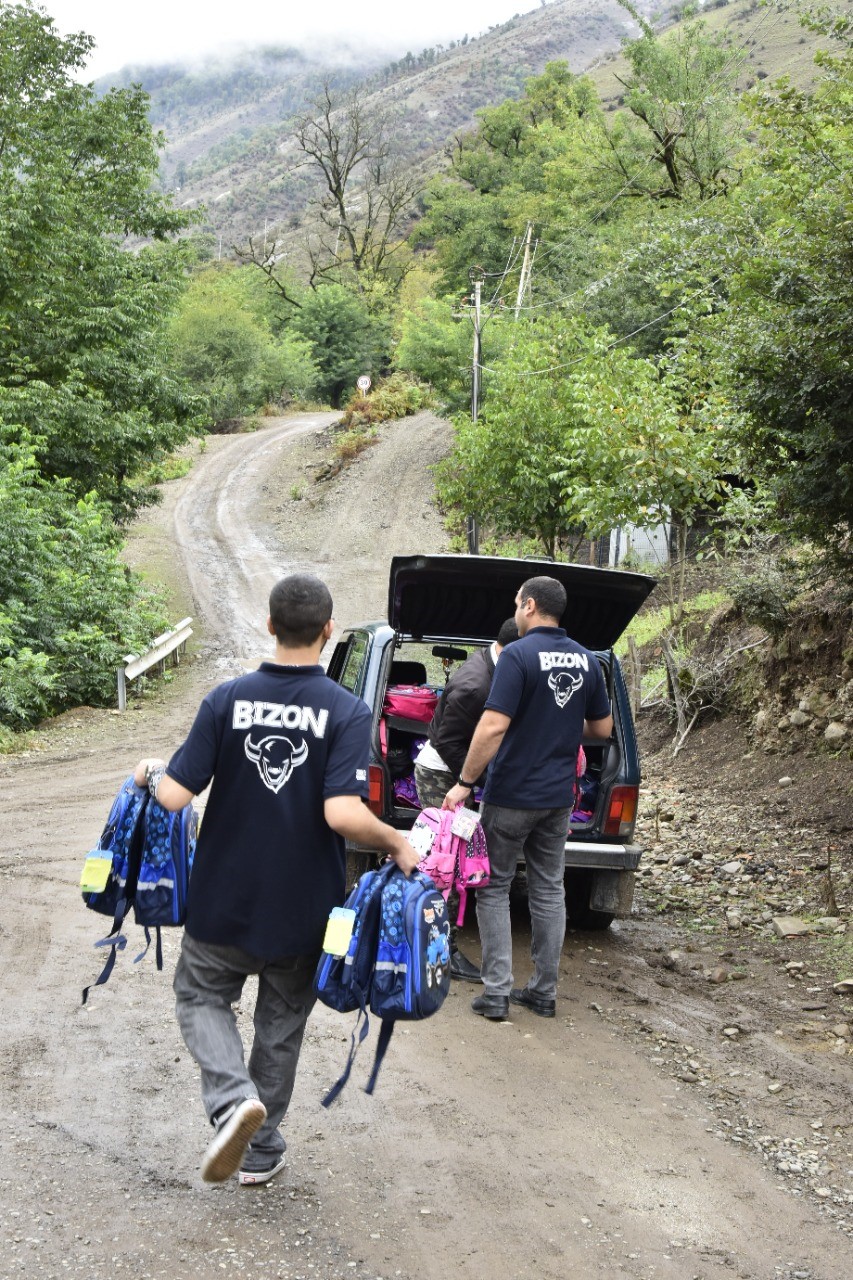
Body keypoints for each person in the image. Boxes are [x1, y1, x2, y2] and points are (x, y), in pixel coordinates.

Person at [134, 574, 419, 1186]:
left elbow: (175, 795)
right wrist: (398, 842)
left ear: (270, 625)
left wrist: (148, 772)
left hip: (222, 900)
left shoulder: (226, 700)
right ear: (328, 630)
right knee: (281, 1024)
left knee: (201, 996)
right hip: (305, 908)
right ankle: (260, 1151)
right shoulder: (346, 711)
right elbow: (341, 814)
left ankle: (233, 1101)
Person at [442, 576, 613, 1022]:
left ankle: (497, 992)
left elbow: (493, 726)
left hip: (512, 795)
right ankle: (542, 992)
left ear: (530, 606)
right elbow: (601, 729)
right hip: (558, 798)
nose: (516, 611)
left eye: (518, 603)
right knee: (549, 888)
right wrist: (558, 723)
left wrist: (464, 781)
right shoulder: (586, 659)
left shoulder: (517, 655)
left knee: (494, 886)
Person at [413, 617, 519, 982]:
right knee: (447, 866)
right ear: (511, 650)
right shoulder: (475, 686)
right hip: (443, 777)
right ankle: (443, 953)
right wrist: (475, 781)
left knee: (454, 863)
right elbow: (447, 741)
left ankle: (434, 945)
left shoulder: (494, 667)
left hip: (458, 777)